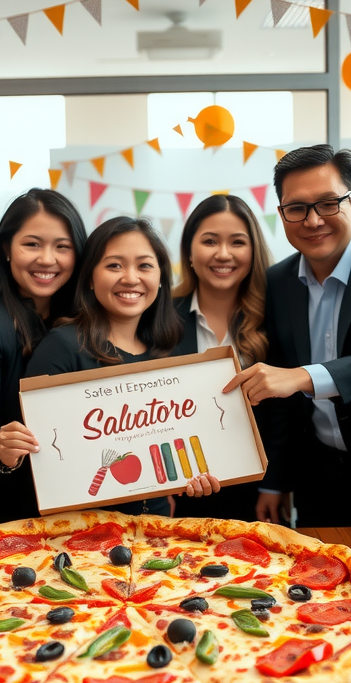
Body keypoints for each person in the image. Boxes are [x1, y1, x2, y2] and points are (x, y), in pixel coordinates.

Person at [223, 144, 351, 527]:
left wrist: (302, 377)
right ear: (281, 214)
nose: (312, 220)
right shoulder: (278, 281)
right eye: (297, 208)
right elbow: (281, 397)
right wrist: (274, 481)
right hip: (316, 477)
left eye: (328, 203)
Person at [23, 216, 219, 513]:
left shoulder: (168, 355)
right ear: (90, 278)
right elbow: (40, 456)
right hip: (82, 528)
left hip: (157, 523)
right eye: (114, 265)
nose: (130, 278)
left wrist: (191, 476)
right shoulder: (61, 347)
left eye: (144, 265)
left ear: (161, 278)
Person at [0, 189, 86, 525]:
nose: (47, 259)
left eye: (62, 246)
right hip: (13, 510)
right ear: (6, 248)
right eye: (32, 244)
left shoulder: (84, 320)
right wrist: (1, 447)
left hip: (82, 500)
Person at [172, 194, 271, 520]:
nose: (223, 254)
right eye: (210, 241)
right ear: (189, 251)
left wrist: (275, 486)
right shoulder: (160, 317)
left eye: (237, 242)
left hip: (258, 490)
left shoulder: (275, 315)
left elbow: (286, 413)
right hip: (177, 485)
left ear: (253, 251)